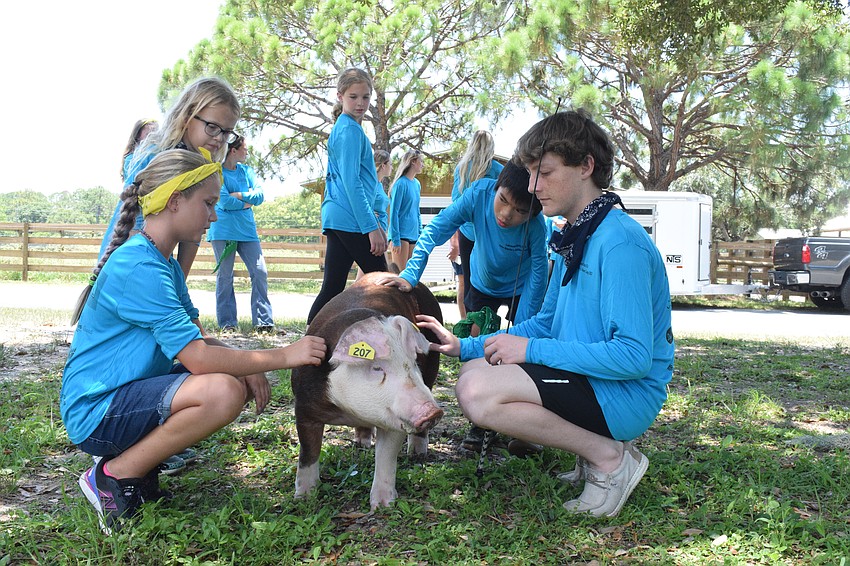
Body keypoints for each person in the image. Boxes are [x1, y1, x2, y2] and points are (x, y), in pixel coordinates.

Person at [416, 109, 675, 519]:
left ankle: (609, 458)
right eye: (530, 173)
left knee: (478, 393)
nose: (533, 187)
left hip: (623, 395)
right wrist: (465, 345)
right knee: (473, 371)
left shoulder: (620, 242)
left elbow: (633, 356)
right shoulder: (576, 236)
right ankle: (591, 451)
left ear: (586, 166)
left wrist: (531, 349)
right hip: (591, 379)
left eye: (545, 172)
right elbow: (547, 321)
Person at [62, 149, 326, 533]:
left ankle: (136, 471)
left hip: (119, 397)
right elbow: (199, 359)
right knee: (220, 391)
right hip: (95, 411)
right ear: (174, 201)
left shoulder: (161, 262)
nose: (214, 216)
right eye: (208, 203)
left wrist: (241, 360)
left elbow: (198, 336)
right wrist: (284, 355)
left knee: (229, 379)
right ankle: (114, 476)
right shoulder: (139, 265)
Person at [379, 159, 548, 453]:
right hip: (482, 284)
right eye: (503, 201)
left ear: (532, 212)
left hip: (520, 289)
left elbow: (538, 272)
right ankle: (479, 423)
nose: (506, 214)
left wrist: (525, 323)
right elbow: (434, 231)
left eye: (520, 211)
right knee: (475, 348)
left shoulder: (536, 226)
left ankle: (516, 421)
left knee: (517, 353)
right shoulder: (477, 194)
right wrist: (410, 273)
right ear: (495, 188)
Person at [98, 77, 241, 279]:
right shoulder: (157, 157)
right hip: (127, 266)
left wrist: (179, 284)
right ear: (186, 117)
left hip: (155, 267)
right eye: (212, 127)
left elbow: (193, 235)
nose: (219, 138)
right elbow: (135, 227)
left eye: (227, 132)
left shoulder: (203, 169)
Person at [307, 68, 388, 324]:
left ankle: (309, 339)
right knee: (383, 282)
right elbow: (352, 183)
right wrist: (371, 226)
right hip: (350, 217)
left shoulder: (345, 128)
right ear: (340, 96)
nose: (360, 103)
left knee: (332, 286)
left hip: (338, 215)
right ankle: (397, 345)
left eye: (365, 97)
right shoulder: (350, 131)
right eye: (353, 97)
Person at [207, 135, 273, 332]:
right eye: (244, 148)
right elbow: (224, 201)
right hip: (223, 230)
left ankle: (263, 322)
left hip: (247, 231)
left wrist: (240, 196)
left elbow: (260, 195)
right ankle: (228, 323)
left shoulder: (247, 171)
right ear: (233, 150)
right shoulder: (217, 172)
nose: (247, 151)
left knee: (260, 272)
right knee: (225, 276)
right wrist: (246, 203)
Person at [450, 130, 504, 318]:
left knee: (468, 277)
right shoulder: (497, 169)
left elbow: (456, 201)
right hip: (489, 233)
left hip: (467, 231)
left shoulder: (462, 168)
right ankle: (488, 317)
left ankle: (469, 320)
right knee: (487, 277)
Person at [356, 149, 392, 280]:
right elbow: (362, 202)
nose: (392, 167)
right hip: (374, 233)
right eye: (390, 164)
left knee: (368, 274)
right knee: (376, 274)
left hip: (382, 231)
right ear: (383, 165)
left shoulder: (380, 184)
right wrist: (372, 217)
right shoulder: (371, 184)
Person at [388, 149, 424, 271]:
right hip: (401, 235)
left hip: (414, 235)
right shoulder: (400, 184)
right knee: (399, 275)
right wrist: (395, 239)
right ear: (413, 162)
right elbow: (394, 213)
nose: (422, 164)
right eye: (421, 161)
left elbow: (416, 211)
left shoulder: (417, 184)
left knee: (410, 276)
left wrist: (420, 233)